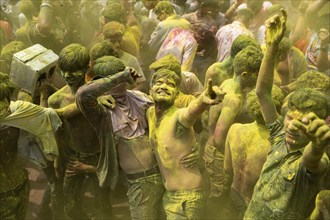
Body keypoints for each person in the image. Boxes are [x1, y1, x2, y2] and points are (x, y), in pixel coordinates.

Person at [244, 10, 330, 219]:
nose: (291, 126)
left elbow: (311, 161)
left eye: (301, 123)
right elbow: (263, 92)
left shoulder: (318, 160)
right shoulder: (279, 138)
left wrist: (317, 146)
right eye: (290, 117)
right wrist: (272, 47)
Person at [147, 69, 226, 219]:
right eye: (158, 83)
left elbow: (191, 111)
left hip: (187, 197)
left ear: (177, 94)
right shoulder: (150, 113)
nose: (163, 86)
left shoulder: (178, 117)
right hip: (168, 194)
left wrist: (204, 98)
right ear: (150, 91)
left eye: (170, 85)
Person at [47, 43, 112, 219]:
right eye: (64, 70)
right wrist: (57, 160)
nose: (67, 76)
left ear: (86, 67)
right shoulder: (57, 100)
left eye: (73, 70)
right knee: (71, 207)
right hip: (73, 157)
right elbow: (58, 133)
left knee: (103, 205)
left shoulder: (100, 94)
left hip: (98, 156)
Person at [0, 72, 62, 219]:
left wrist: (44, 95)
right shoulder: (15, 109)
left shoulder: (16, 110)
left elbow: (47, 115)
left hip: (20, 184)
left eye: (2, 100)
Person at [223, 86, 284, 219]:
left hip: (234, 194)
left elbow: (227, 169)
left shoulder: (235, 129)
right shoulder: (277, 143)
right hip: (256, 205)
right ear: (276, 109)